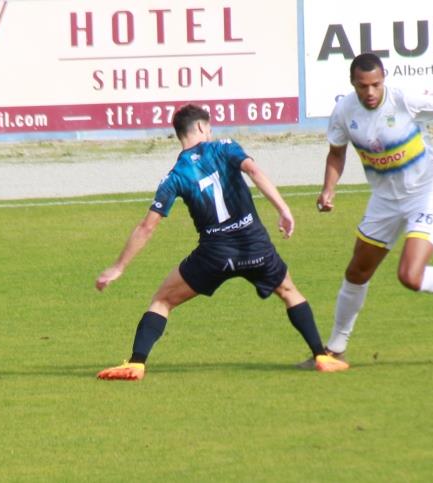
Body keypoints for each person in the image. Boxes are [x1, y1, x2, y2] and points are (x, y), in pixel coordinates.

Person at [94, 104, 348, 380]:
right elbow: (254, 171)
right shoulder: (225, 148)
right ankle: (321, 356)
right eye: (210, 127)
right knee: (289, 291)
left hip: (214, 255)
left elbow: (147, 226)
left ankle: (136, 363)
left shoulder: (175, 175)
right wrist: (283, 210)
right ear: (202, 127)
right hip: (255, 246)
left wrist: (119, 266)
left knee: (163, 300)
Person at [302, 53, 433, 367]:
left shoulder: (406, 99)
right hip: (384, 200)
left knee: (409, 275)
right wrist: (329, 189)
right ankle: (334, 351)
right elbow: (336, 154)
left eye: (376, 84)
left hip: (427, 193)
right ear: (353, 83)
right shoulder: (343, 112)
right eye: (363, 86)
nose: (370, 92)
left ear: (384, 80)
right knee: (357, 272)